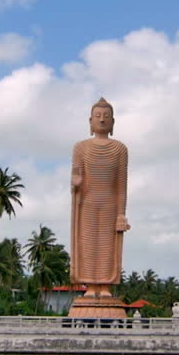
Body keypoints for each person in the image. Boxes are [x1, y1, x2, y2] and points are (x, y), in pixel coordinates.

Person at [70, 97, 130, 298]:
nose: (102, 120)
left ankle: (105, 286)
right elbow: (76, 174)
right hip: (87, 203)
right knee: (88, 244)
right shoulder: (80, 148)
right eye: (98, 116)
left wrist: (121, 214)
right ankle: (91, 286)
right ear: (90, 121)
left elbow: (121, 186)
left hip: (110, 204)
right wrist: (76, 181)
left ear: (113, 122)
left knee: (107, 245)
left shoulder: (120, 149)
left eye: (106, 117)